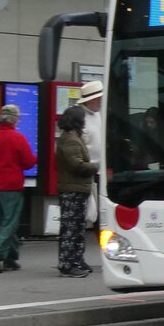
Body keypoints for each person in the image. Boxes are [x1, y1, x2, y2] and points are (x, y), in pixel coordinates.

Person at [0, 104, 37, 273]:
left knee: (3, 222)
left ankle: (11, 258)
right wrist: (36, 158)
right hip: (12, 186)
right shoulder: (18, 138)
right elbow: (28, 162)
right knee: (10, 223)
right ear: (15, 119)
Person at [55, 105, 97, 278]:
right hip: (72, 189)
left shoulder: (73, 137)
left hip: (77, 188)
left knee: (78, 227)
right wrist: (95, 166)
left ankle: (77, 260)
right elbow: (77, 165)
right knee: (71, 229)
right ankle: (67, 264)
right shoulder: (70, 140)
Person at [77, 80, 104, 228]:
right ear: (91, 100)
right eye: (98, 99)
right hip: (90, 170)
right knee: (93, 210)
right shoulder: (81, 118)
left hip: (101, 170)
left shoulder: (99, 115)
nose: (100, 101)